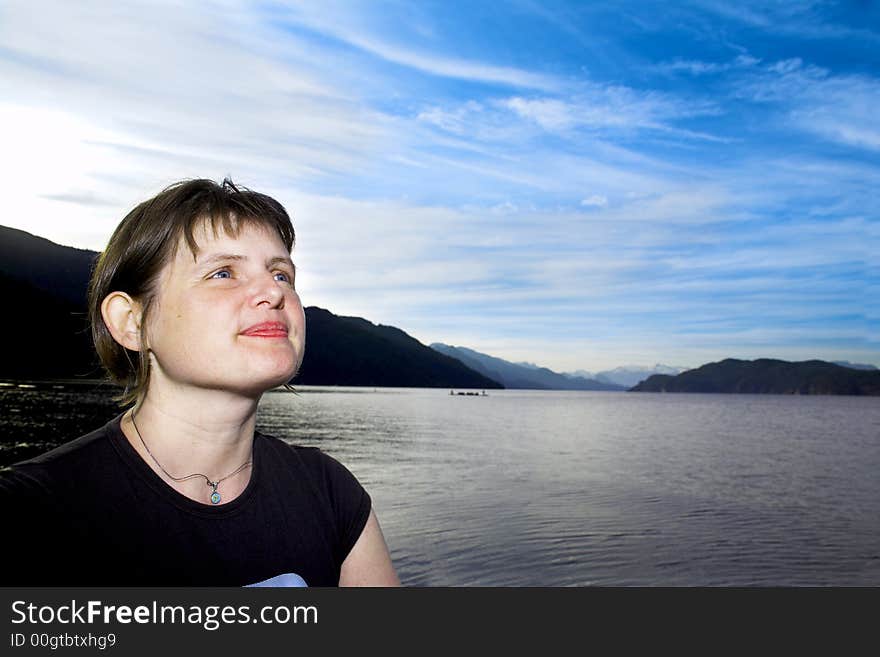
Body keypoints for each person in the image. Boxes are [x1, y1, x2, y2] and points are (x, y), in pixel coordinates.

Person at [0, 178, 399, 586]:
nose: (272, 292)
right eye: (224, 272)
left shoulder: (330, 493)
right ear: (131, 322)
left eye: (282, 275)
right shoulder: (31, 514)